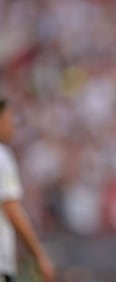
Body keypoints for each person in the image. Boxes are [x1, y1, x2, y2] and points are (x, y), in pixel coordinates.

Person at [0, 98, 55, 282]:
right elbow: (12, 210)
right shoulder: (2, 157)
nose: (12, 126)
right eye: (8, 119)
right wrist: (39, 255)